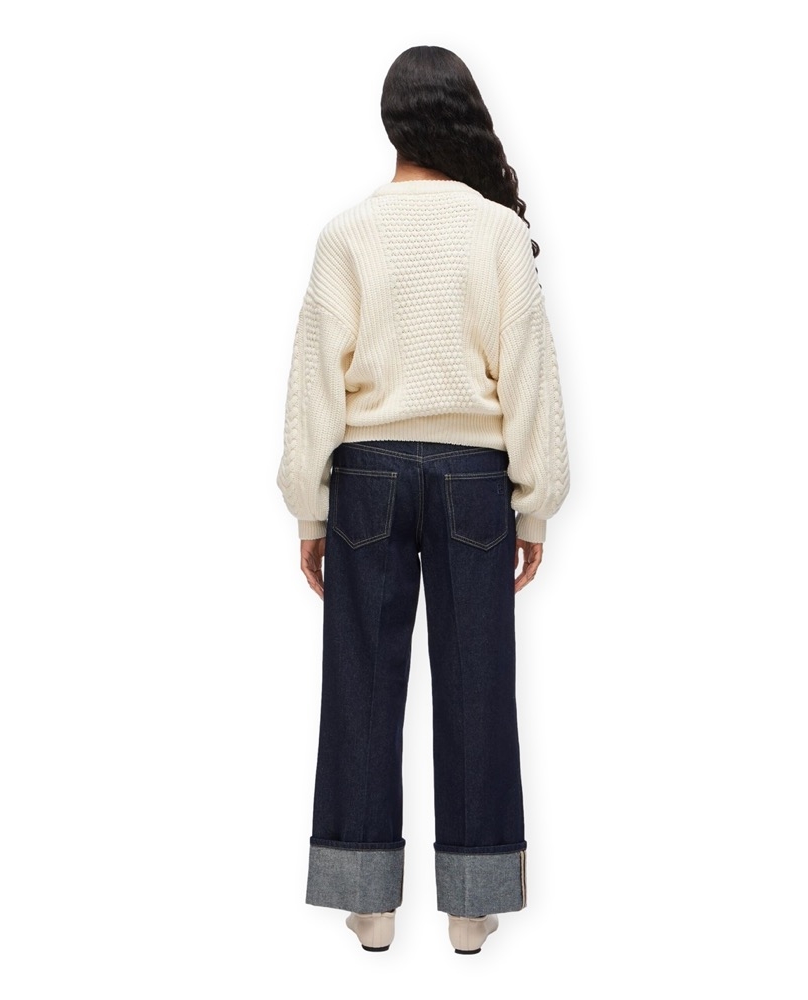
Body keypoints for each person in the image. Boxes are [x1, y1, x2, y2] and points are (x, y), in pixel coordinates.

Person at [276, 45, 570, 954]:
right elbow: (529, 374)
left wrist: (310, 508)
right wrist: (534, 503)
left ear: (391, 123)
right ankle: (471, 908)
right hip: (474, 479)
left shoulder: (348, 233)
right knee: (478, 684)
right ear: (460, 117)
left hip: (366, 476)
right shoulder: (495, 232)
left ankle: (368, 902)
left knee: (361, 683)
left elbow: (313, 382)